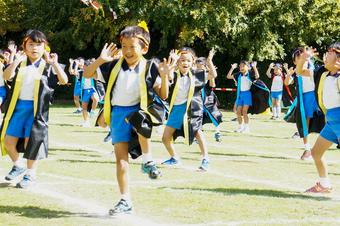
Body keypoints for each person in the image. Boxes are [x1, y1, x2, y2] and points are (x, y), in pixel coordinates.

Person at [84, 22, 170, 215]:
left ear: (144, 48)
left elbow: (163, 95)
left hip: (139, 111)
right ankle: (125, 200)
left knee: (141, 120)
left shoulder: (150, 67)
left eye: (132, 47)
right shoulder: (112, 66)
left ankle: (148, 161)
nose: (127, 51)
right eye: (124, 46)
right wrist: (100, 60)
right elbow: (87, 74)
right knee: (121, 161)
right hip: (117, 115)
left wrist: (164, 77)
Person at [0, 30, 68, 188]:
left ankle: (30, 175)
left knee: (32, 143)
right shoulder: (20, 64)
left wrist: (55, 64)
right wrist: (15, 61)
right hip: (17, 109)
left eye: (39, 44)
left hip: (37, 111)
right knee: (8, 140)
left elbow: (64, 80)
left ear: (45, 47)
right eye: (31, 44)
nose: (35, 48)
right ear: (24, 46)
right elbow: (6, 76)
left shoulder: (48, 66)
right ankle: (18, 165)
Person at [161, 47, 217, 171]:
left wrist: (209, 61)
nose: (185, 63)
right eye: (181, 60)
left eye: (187, 60)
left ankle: (205, 158)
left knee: (197, 132)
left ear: (193, 62)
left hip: (191, 109)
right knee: (165, 137)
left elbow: (213, 75)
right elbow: (168, 75)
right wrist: (173, 62)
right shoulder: (174, 74)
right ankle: (174, 158)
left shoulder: (197, 74)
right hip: (176, 109)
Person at [294, 44, 340, 193]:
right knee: (316, 153)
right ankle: (324, 185)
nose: (326, 57)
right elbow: (300, 71)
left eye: (330, 53)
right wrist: (303, 59)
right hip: (331, 120)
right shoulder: (322, 73)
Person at [284, 48, 324, 160]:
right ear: (295, 62)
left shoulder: (313, 70)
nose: (303, 59)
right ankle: (307, 149)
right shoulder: (297, 73)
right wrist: (288, 74)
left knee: (325, 121)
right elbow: (287, 83)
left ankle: (316, 148)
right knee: (304, 123)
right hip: (304, 99)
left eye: (305, 57)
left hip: (315, 97)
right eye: (300, 58)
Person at [195, 50, 223, 142]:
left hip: (207, 98)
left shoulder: (206, 74)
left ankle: (218, 131)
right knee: (197, 116)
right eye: (196, 66)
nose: (198, 67)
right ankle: (197, 135)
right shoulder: (193, 73)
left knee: (214, 114)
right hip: (196, 98)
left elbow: (213, 83)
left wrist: (210, 61)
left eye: (200, 66)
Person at [226, 61, 260, 133]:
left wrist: (254, 67)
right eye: (240, 66)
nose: (241, 68)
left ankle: (246, 128)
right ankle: (240, 127)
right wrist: (232, 68)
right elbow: (228, 76)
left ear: (248, 67)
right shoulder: (238, 75)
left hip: (247, 94)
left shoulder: (250, 74)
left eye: (243, 66)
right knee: (238, 112)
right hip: (240, 95)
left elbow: (257, 76)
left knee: (244, 112)